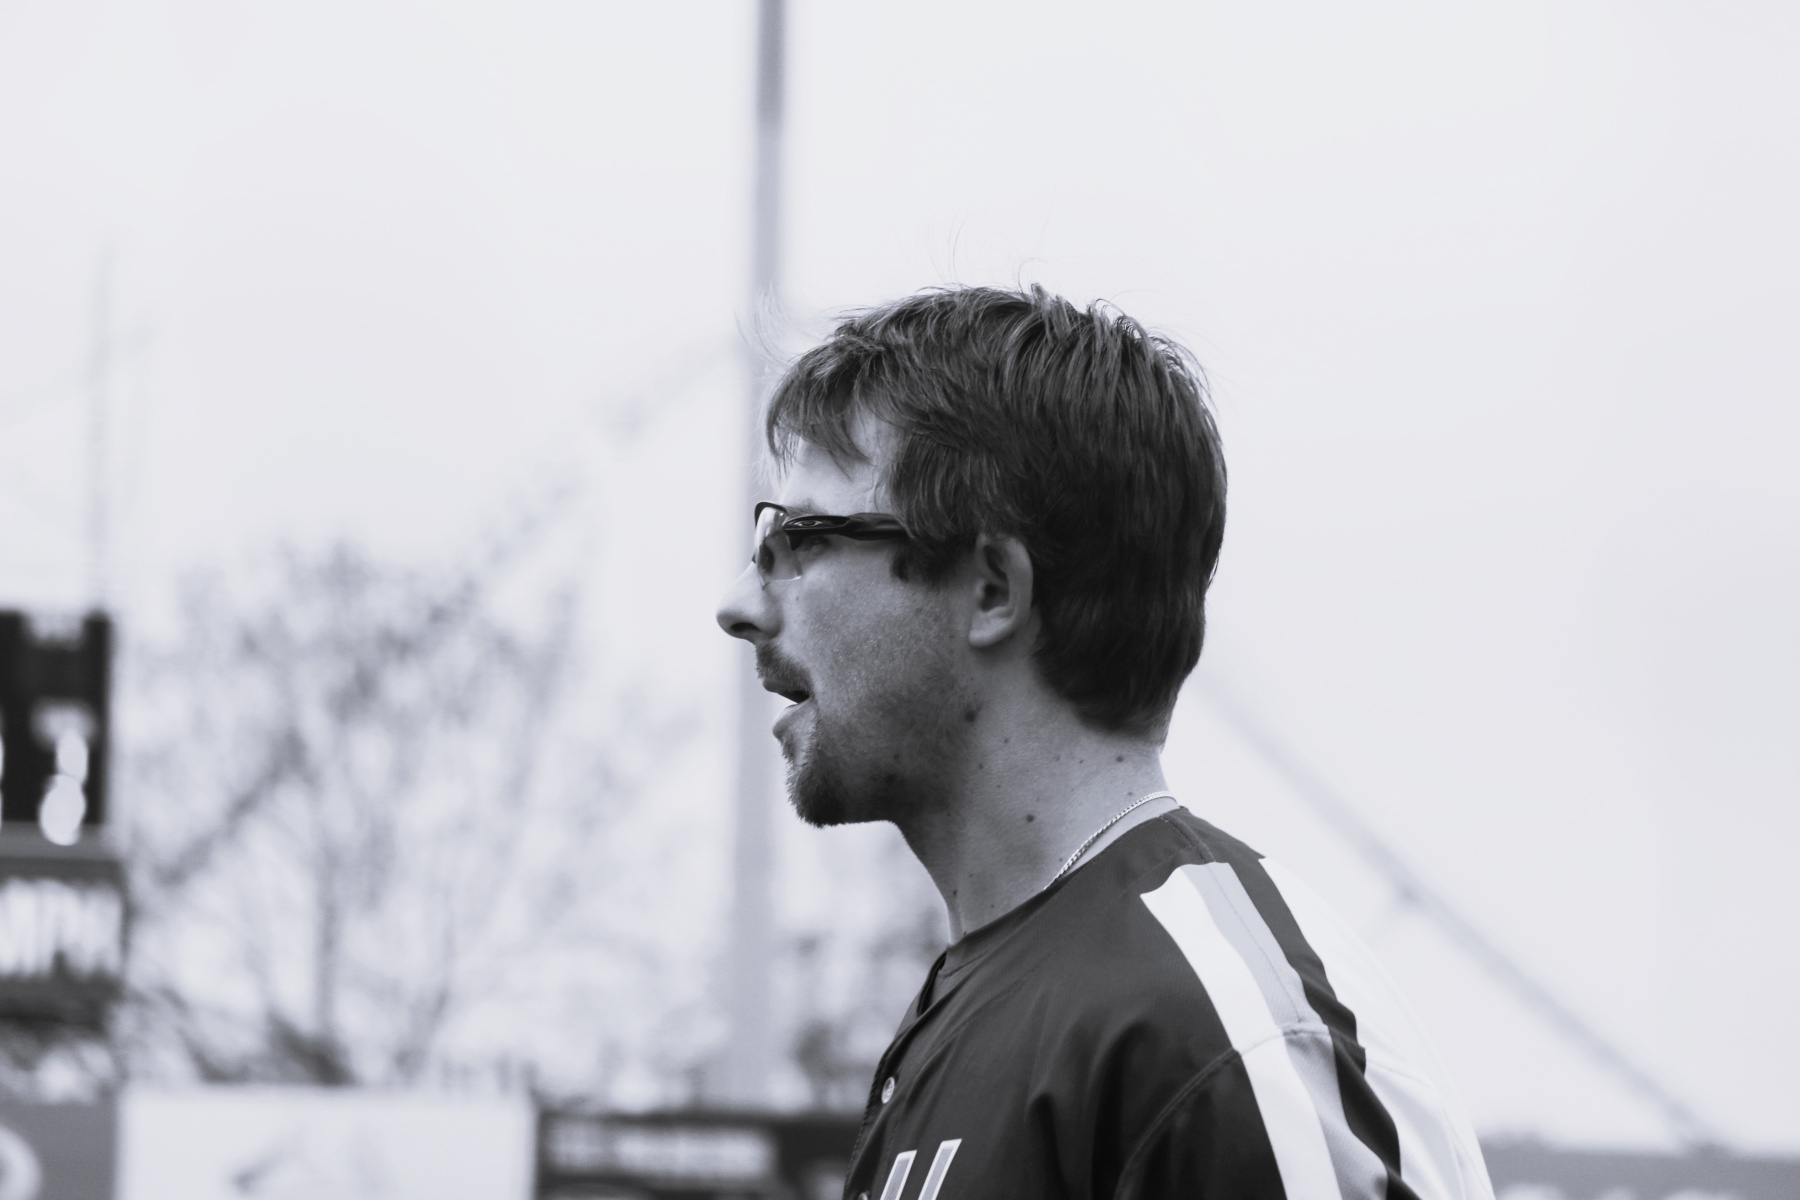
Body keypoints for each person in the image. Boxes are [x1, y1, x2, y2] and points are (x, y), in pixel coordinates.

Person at [716, 285, 1494, 1200]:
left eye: (801, 540)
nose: (741, 604)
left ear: (992, 589)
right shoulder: (1007, 997)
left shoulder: (1212, 1039)